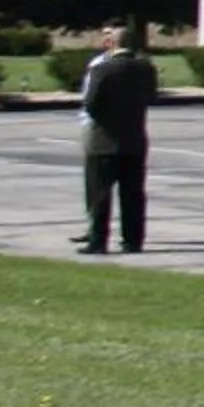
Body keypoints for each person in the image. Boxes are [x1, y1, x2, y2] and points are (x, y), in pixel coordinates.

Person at [74, 29, 160, 255]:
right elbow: (152, 96)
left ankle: (98, 240)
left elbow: (90, 104)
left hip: (103, 139)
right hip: (134, 138)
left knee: (100, 193)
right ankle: (133, 240)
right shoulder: (145, 69)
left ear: (112, 43)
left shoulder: (102, 69)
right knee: (133, 193)